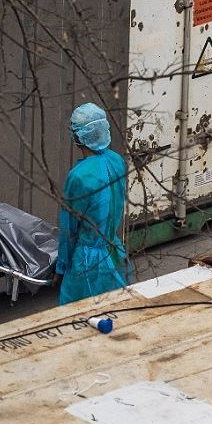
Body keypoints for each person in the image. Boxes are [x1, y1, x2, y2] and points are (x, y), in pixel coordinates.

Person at [56, 102, 131, 305]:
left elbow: (69, 228)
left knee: (80, 313)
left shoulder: (79, 176)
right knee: (116, 307)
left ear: (78, 137)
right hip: (113, 250)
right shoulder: (117, 161)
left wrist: (61, 267)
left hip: (87, 260)